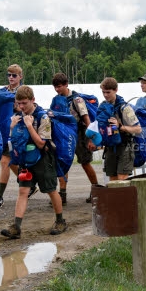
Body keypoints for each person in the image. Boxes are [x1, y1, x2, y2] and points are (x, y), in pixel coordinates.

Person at [0, 85, 68, 239]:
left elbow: (41, 144)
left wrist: (30, 126)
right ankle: (16, 226)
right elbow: (13, 141)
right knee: (23, 191)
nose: (21, 107)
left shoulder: (43, 117)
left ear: (33, 100)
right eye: (19, 103)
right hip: (26, 160)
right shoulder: (18, 116)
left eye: (24, 103)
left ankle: (60, 221)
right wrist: (11, 128)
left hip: (43, 160)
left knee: (51, 190)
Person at [50, 73, 99, 204]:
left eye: (59, 86)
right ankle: (63, 194)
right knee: (63, 162)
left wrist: (91, 138)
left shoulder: (77, 100)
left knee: (85, 162)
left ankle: (96, 191)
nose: (57, 89)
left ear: (66, 84)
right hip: (64, 133)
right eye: (55, 87)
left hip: (80, 132)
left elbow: (86, 118)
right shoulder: (56, 99)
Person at [0, 64, 37, 209]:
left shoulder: (24, 91)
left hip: (19, 131)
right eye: (9, 74)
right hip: (5, 132)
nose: (11, 77)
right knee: (9, 162)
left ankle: (0, 196)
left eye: (14, 75)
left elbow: (31, 107)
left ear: (20, 77)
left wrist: (17, 106)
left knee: (7, 162)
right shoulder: (2, 91)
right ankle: (28, 184)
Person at [99, 77, 142, 181]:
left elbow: (138, 129)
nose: (105, 95)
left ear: (116, 90)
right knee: (112, 180)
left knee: (121, 180)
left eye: (108, 92)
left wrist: (120, 127)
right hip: (110, 147)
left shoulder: (125, 108)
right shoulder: (103, 106)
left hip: (125, 146)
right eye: (103, 92)